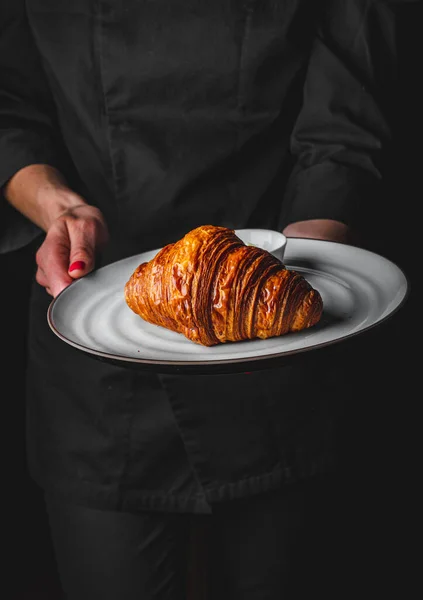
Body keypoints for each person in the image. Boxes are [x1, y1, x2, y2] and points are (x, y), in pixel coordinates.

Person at [0, 1, 403, 598]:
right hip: (98, 359)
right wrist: (61, 210)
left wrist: (312, 261)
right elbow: (10, 105)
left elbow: (342, 128)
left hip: (284, 352)